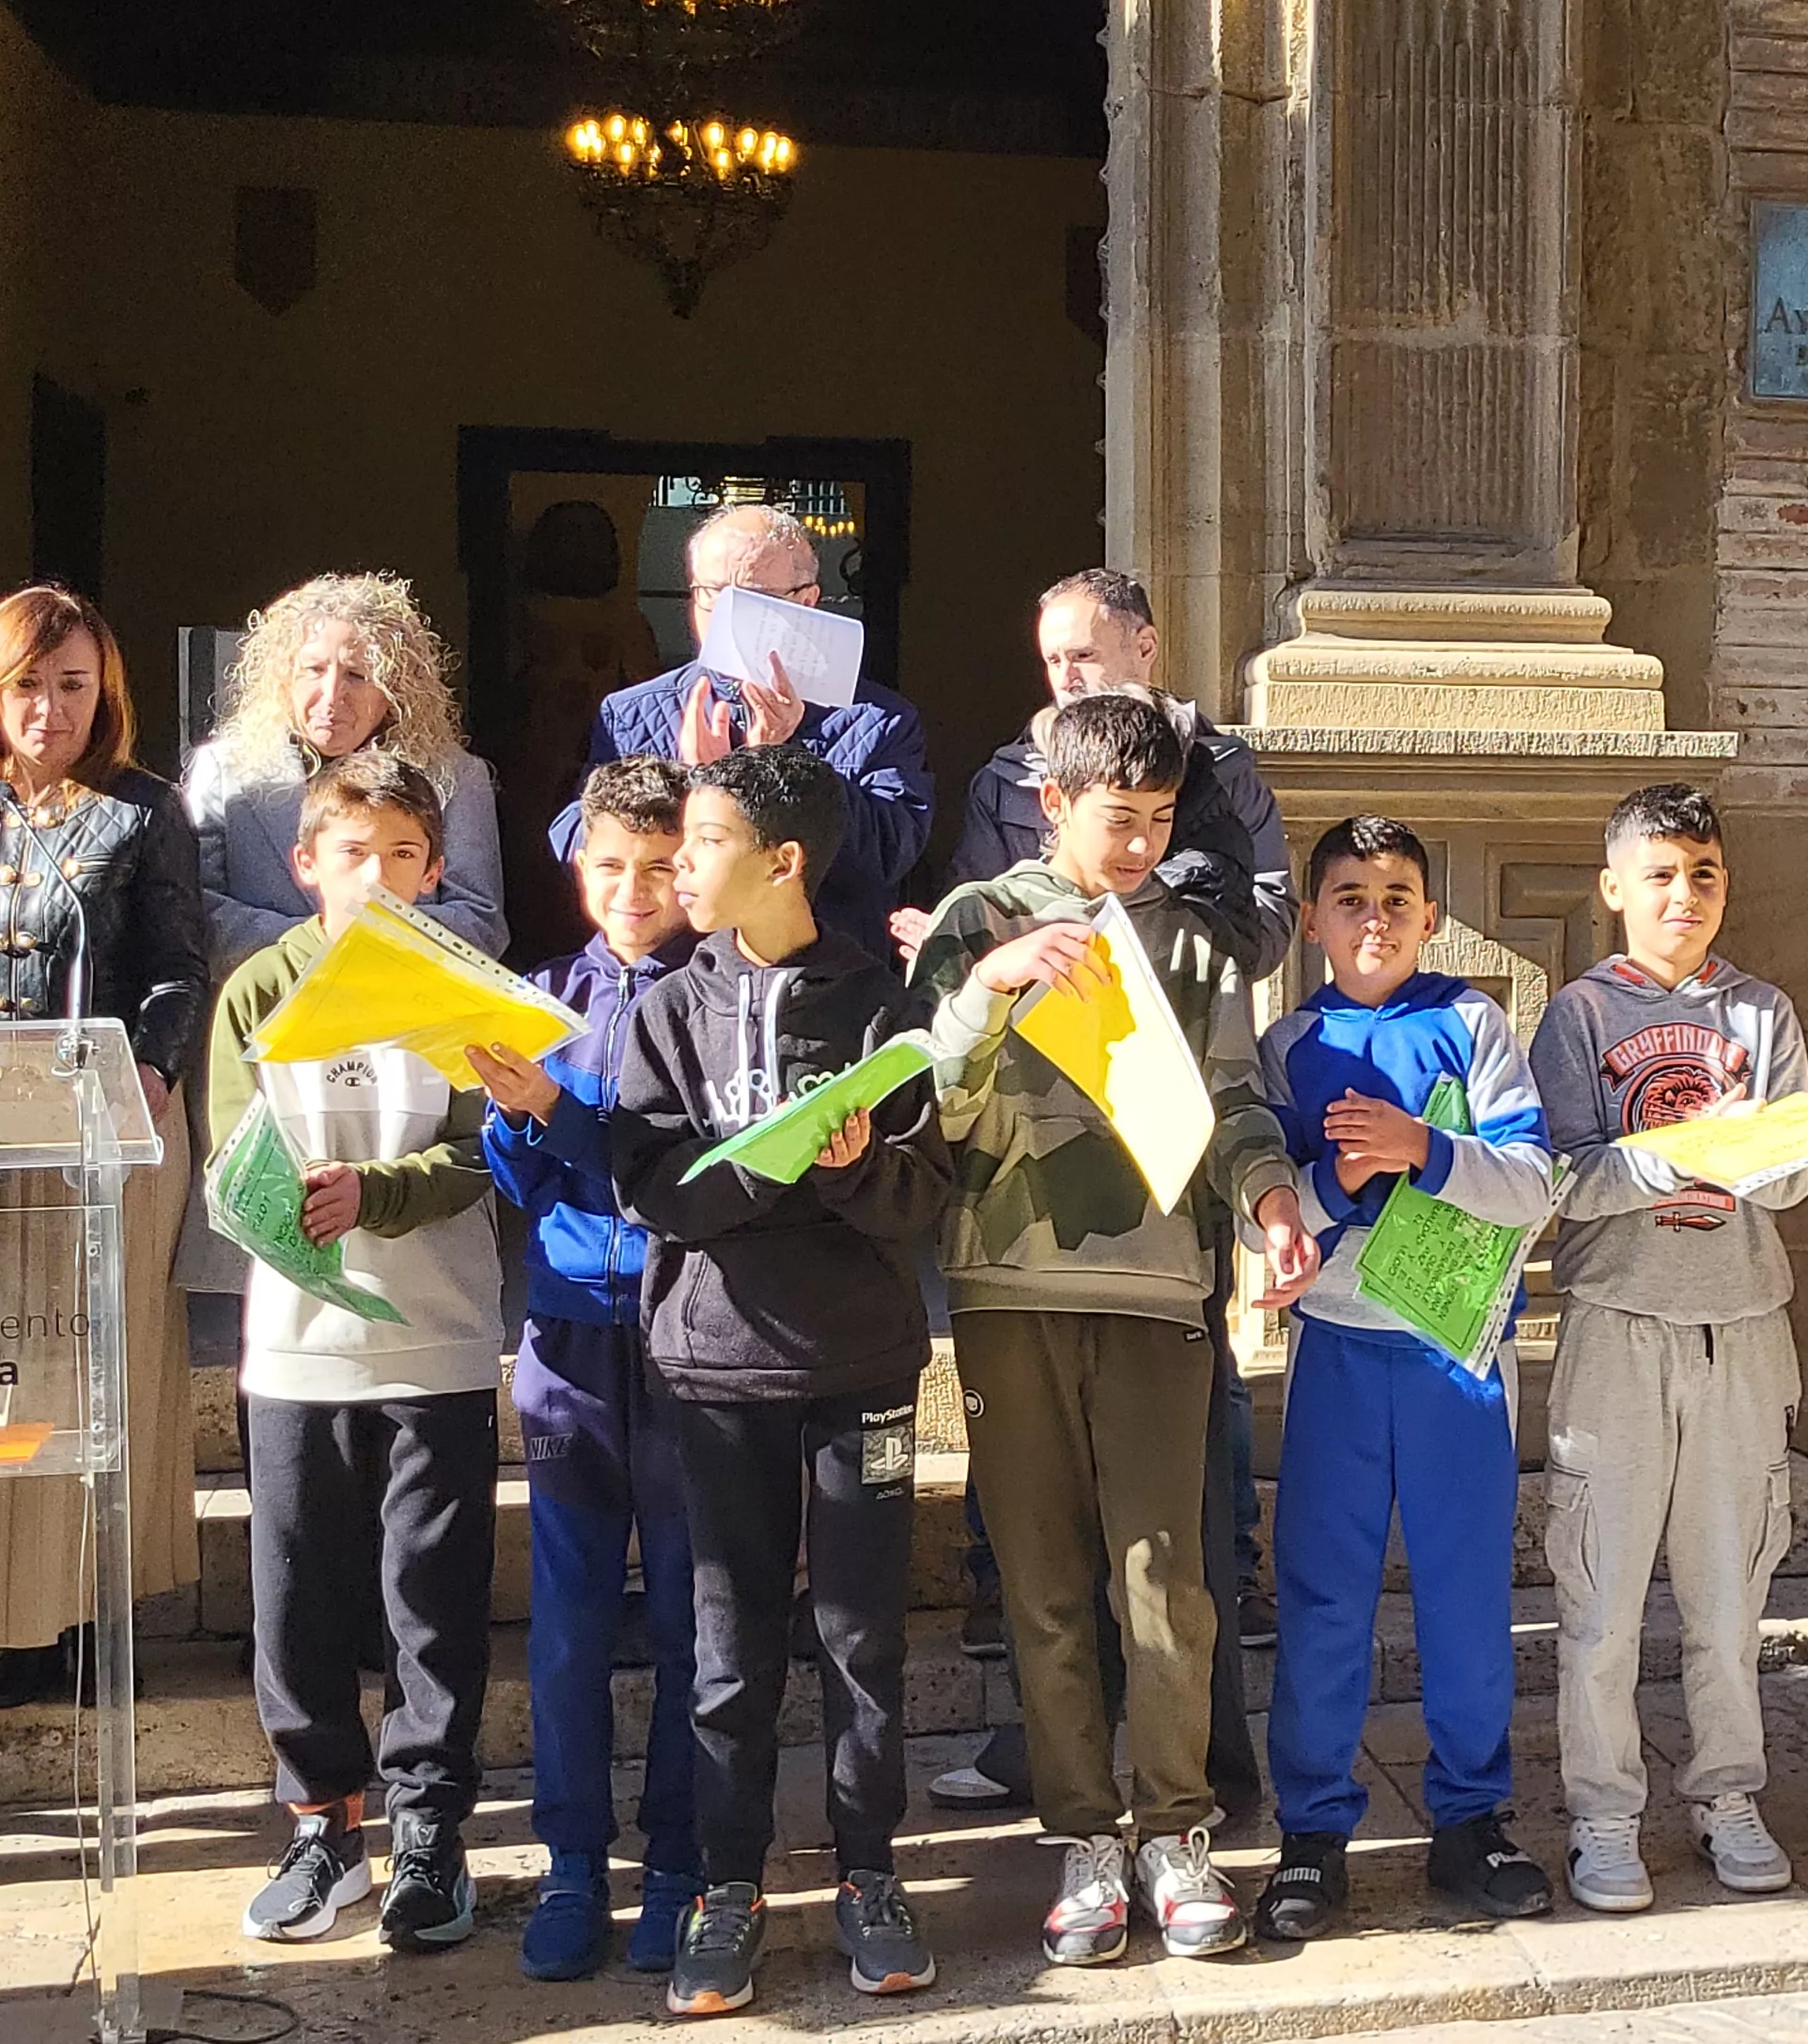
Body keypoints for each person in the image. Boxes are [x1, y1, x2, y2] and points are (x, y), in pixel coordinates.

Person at [907, 692, 1315, 1967]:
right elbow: (927, 1104)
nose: (1135, 845)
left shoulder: (1196, 942)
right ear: (1051, 803)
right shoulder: (978, 924)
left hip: (1157, 1292)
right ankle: (1086, 1838)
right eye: (1113, 819)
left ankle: (1177, 1835)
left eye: (1154, 819)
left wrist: (1268, 1199)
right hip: (1007, 1291)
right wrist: (987, 989)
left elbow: (1239, 1100)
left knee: (1167, 1582)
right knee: (1040, 1579)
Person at [608, 741, 955, 2016]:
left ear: (784, 862)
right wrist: (782, 1165)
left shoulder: (883, 1007)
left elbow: (919, 1195)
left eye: (702, 842)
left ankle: (871, 1876)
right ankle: (728, 1888)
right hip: (713, 1372)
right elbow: (656, 1190)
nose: (680, 866)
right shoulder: (663, 1010)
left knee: (863, 1637)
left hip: (861, 1370)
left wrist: (855, 1166)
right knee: (727, 1645)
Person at [209, 752, 507, 1951]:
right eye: (350, 854)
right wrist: (293, 1191)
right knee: (298, 1599)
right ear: (305, 867)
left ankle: (431, 1829)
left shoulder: (468, 985)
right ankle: (323, 1825)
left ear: (434, 869)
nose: (375, 876)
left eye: (401, 856)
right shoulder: (257, 988)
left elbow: (487, 1146)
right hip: (295, 1348)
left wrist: (376, 1189)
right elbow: (237, 1153)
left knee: (430, 1605)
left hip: (434, 1339)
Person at [1251, 817, 1560, 1937]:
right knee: (1324, 1595)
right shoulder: (1287, 1044)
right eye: (1347, 896)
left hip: (1457, 1356)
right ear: (1313, 918)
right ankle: (1313, 1831)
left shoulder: (1471, 1021)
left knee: (1464, 1595)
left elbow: (1533, 1181)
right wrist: (1337, 1179)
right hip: (1338, 1351)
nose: (1373, 917)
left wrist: (1423, 1149)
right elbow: (1269, 1201)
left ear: (1430, 914)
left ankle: (1472, 1820)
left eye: (1395, 897)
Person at [1530, 780, 1808, 1916]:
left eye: (1702, 873)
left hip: (1741, 1324)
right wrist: (1673, 1150)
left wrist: (1746, 1142)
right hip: (1618, 1328)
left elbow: (1795, 1172)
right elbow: (1556, 1180)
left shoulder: (1765, 1013)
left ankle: (1726, 1790)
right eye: (1658, 874)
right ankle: (1604, 1812)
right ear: (1613, 888)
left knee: (1729, 1592)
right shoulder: (1579, 1016)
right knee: (1598, 1595)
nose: (1683, 895)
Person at [0, 585, 208, 1710]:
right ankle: (10, 1618)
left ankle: (92, 1617)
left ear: (109, 693)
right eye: (28, 686)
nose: (50, 710)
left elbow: (179, 966)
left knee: (104, 1365)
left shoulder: (143, 811)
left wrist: (151, 1065)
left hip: (111, 1123)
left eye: (74, 686)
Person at [468, 757, 704, 1980]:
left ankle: (676, 1863)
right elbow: (519, 1183)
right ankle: (572, 1861)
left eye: (659, 869)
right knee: (564, 1628)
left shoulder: (715, 998)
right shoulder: (546, 993)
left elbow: (670, 1164)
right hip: (564, 1335)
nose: (633, 891)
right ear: (578, 870)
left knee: (680, 1616)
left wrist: (554, 1122)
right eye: (610, 869)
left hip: (683, 1338)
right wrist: (512, 1113)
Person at [557, 506, 930, 959]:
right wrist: (690, 786)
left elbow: (886, 857)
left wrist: (780, 763)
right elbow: (575, 836)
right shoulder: (631, 712)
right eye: (713, 594)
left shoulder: (879, 719)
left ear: (807, 601)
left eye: (752, 599)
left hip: (816, 987)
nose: (728, 617)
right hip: (674, 980)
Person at [927, 568, 1293, 976]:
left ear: (1145, 647)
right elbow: (977, 922)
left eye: (1083, 656)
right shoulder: (1007, 779)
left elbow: (1269, 915)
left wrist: (1187, 959)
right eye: (1053, 660)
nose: (1066, 679)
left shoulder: (1222, 769)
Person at [183, 570, 507, 968]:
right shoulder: (224, 769)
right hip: (268, 1003)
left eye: (357, 675)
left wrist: (367, 950)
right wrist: (316, 948)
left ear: (395, 690)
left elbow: (480, 923)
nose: (332, 695)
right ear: (283, 678)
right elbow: (196, 910)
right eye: (313, 670)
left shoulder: (455, 776)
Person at [500, 501, 662, 960]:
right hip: (535, 768)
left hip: (606, 770)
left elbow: (643, 698)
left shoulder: (627, 624)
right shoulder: (519, 619)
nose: (580, 554)